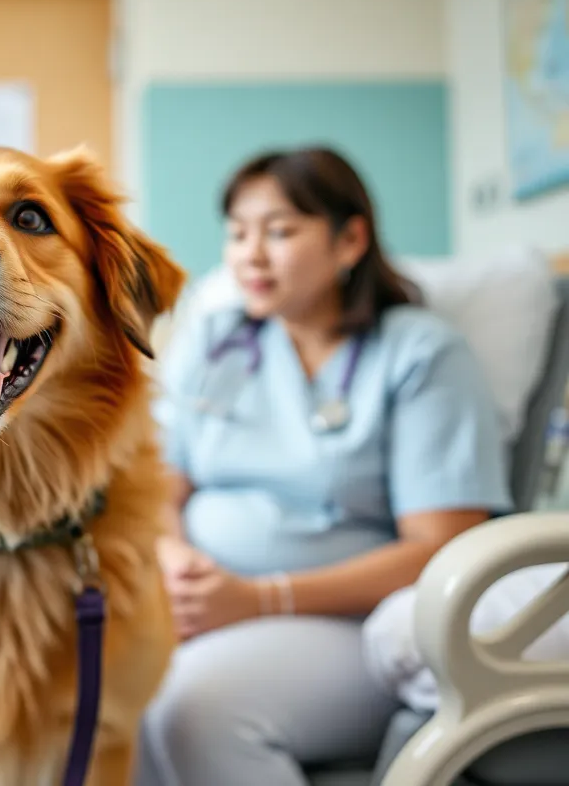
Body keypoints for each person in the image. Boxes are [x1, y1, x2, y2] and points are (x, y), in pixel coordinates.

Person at [136, 146, 512, 785]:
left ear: (349, 240)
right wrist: (176, 566)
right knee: (113, 688)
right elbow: (157, 483)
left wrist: (257, 599)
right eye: (237, 233)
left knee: (196, 708)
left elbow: (442, 547)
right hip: (199, 604)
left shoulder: (421, 356)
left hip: (357, 623)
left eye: (279, 231)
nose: (250, 255)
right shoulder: (220, 341)